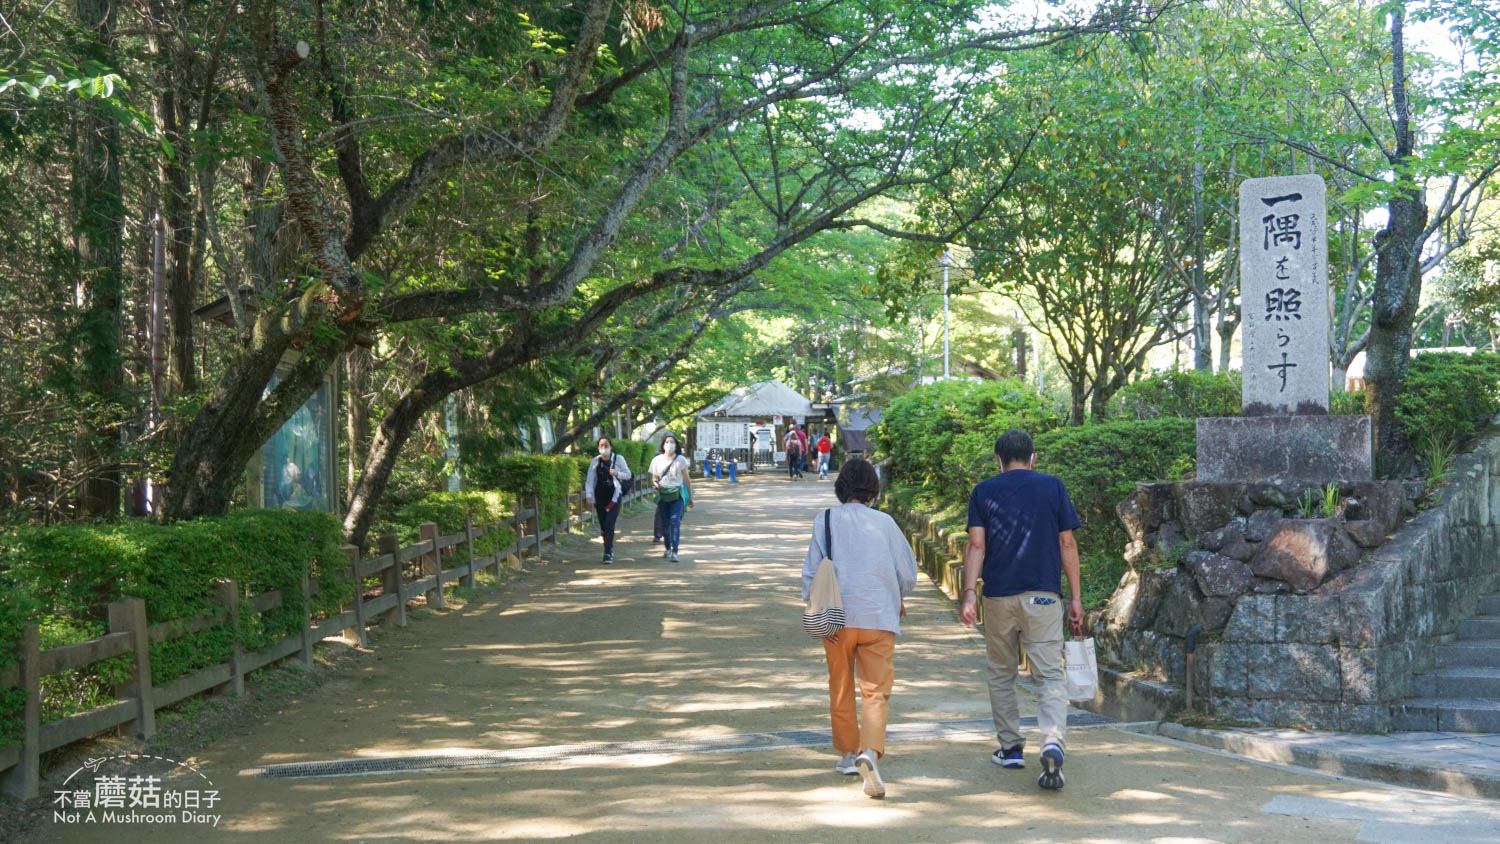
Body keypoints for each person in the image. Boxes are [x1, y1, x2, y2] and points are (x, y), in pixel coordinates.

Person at [958, 429, 1084, 791]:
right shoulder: (1053, 486)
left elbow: (976, 545)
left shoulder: (983, 491)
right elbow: (1067, 542)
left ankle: (1011, 748)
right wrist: (1075, 597)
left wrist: (969, 594)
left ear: (997, 460)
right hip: (1044, 595)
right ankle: (1052, 740)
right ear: (1034, 457)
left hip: (998, 597)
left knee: (1001, 673)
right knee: (1049, 676)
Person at [802, 457, 917, 800]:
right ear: (873, 490)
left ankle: (848, 755)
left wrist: (814, 601)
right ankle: (870, 751)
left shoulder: (825, 520)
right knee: (875, 690)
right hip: (878, 616)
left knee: (840, 684)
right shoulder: (884, 523)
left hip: (835, 618)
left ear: (841, 488)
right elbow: (907, 573)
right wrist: (895, 594)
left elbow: (811, 573)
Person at [584, 436, 633, 565]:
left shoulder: (618, 459)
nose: (604, 448)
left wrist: (616, 473)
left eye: (606, 445)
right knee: (603, 525)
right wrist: (589, 495)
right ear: (598, 448)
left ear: (611, 447)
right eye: (601, 446)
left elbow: (628, 474)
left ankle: (608, 552)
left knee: (609, 524)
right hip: (600, 496)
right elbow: (590, 480)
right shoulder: (595, 461)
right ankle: (607, 547)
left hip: (614, 496)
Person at [648, 432, 693, 562]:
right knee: (665, 523)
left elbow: (687, 479)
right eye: (667, 442)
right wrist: (656, 484)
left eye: (672, 442)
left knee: (675, 521)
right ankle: (668, 548)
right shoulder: (656, 460)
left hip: (677, 496)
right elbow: (654, 478)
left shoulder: (680, 460)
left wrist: (690, 497)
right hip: (663, 495)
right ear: (662, 444)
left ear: (676, 444)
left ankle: (675, 551)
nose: (669, 444)